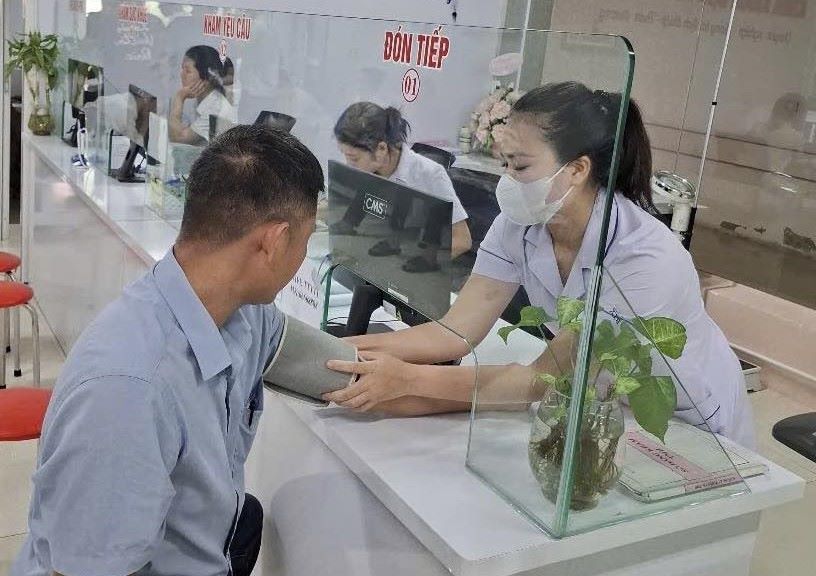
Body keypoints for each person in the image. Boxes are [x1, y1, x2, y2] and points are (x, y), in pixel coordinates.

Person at [324, 82, 755, 448]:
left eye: (520, 165)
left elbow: (540, 378)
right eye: (504, 163)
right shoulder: (521, 224)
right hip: (600, 405)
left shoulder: (644, 257)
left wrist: (409, 380)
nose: (506, 180)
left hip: (688, 423)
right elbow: (454, 331)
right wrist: (342, 351)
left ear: (576, 170)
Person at [12, 125, 324, 576]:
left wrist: (430, 376)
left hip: (205, 547)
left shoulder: (239, 310)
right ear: (273, 243)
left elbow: (322, 361)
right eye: (306, 239)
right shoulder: (129, 390)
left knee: (248, 518)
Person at [330, 102, 472, 272]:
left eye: (353, 158)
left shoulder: (430, 174)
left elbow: (463, 240)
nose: (349, 164)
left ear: (381, 149)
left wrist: (427, 259)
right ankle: (391, 241)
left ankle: (427, 257)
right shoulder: (374, 168)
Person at [169, 45, 236, 144]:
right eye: (182, 68)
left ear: (206, 77)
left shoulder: (215, 108)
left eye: (188, 71)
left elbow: (178, 138)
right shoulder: (200, 100)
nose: (182, 74)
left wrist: (179, 98)